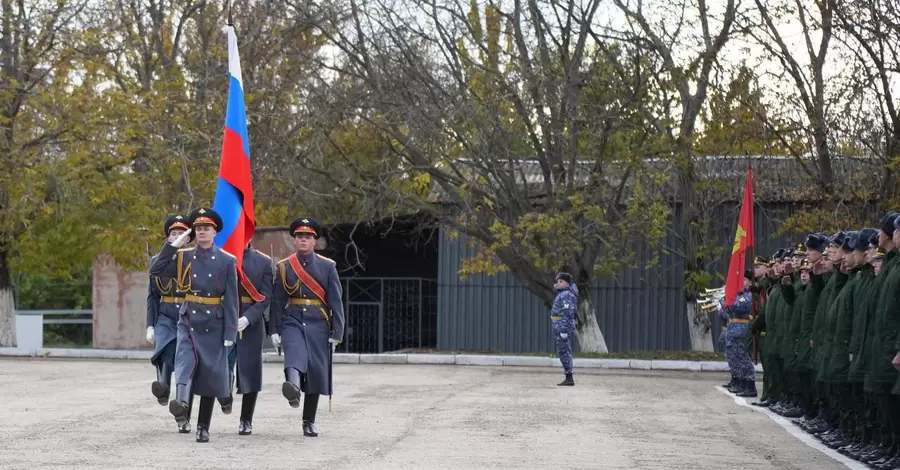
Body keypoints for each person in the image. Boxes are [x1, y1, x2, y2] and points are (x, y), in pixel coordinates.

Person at [149, 207, 239, 443]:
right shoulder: (183, 256)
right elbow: (155, 270)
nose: (202, 232)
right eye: (198, 228)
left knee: (209, 375)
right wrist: (172, 247)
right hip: (188, 319)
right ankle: (181, 402)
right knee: (184, 361)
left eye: (206, 228)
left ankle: (203, 426)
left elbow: (231, 298)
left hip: (214, 322)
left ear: (215, 231)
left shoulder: (227, 260)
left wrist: (230, 330)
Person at [270, 217, 345, 437]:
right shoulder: (284, 267)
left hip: (319, 322)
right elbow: (277, 301)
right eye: (300, 237)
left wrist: (337, 333)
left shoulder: (327, 266)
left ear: (314, 241)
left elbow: (335, 301)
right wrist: (275, 330)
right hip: (292, 319)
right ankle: (292, 388)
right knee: (293, 354)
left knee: (315, 373)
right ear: (294, 241)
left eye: (308, 237)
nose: (303, 240)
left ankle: (308, 421)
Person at [146, 214, 194, 433]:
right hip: (165, 315)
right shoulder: (157, 260)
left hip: (189, 316)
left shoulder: (196, 259)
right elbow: (152, 296)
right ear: (168, 238)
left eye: (181, 234)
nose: (177, 237)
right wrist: (150, 325)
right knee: (166, 351)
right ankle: (163, 388)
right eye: (173, 234)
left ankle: (182, 414)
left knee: (186, 366)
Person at [222, 242, 273, 436]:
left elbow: (266, 297)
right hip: (224, 318)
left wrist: (248, 318)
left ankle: (246, 420)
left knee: (250, 372)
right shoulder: (220, 257)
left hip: (250, 321)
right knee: (222, 364)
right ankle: (224, 395)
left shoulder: (263, 261)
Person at [550, 272, 578, 386]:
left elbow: (568, 313)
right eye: (558, 281)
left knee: (564, 352)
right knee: (563, 351)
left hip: (562, 327)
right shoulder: (562, 294)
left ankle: (569, 377)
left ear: (567, 283)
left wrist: (564, 330)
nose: (558, 283)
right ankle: (568, 376)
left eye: (561, 281)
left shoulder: (566, 295)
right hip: (559, 326)